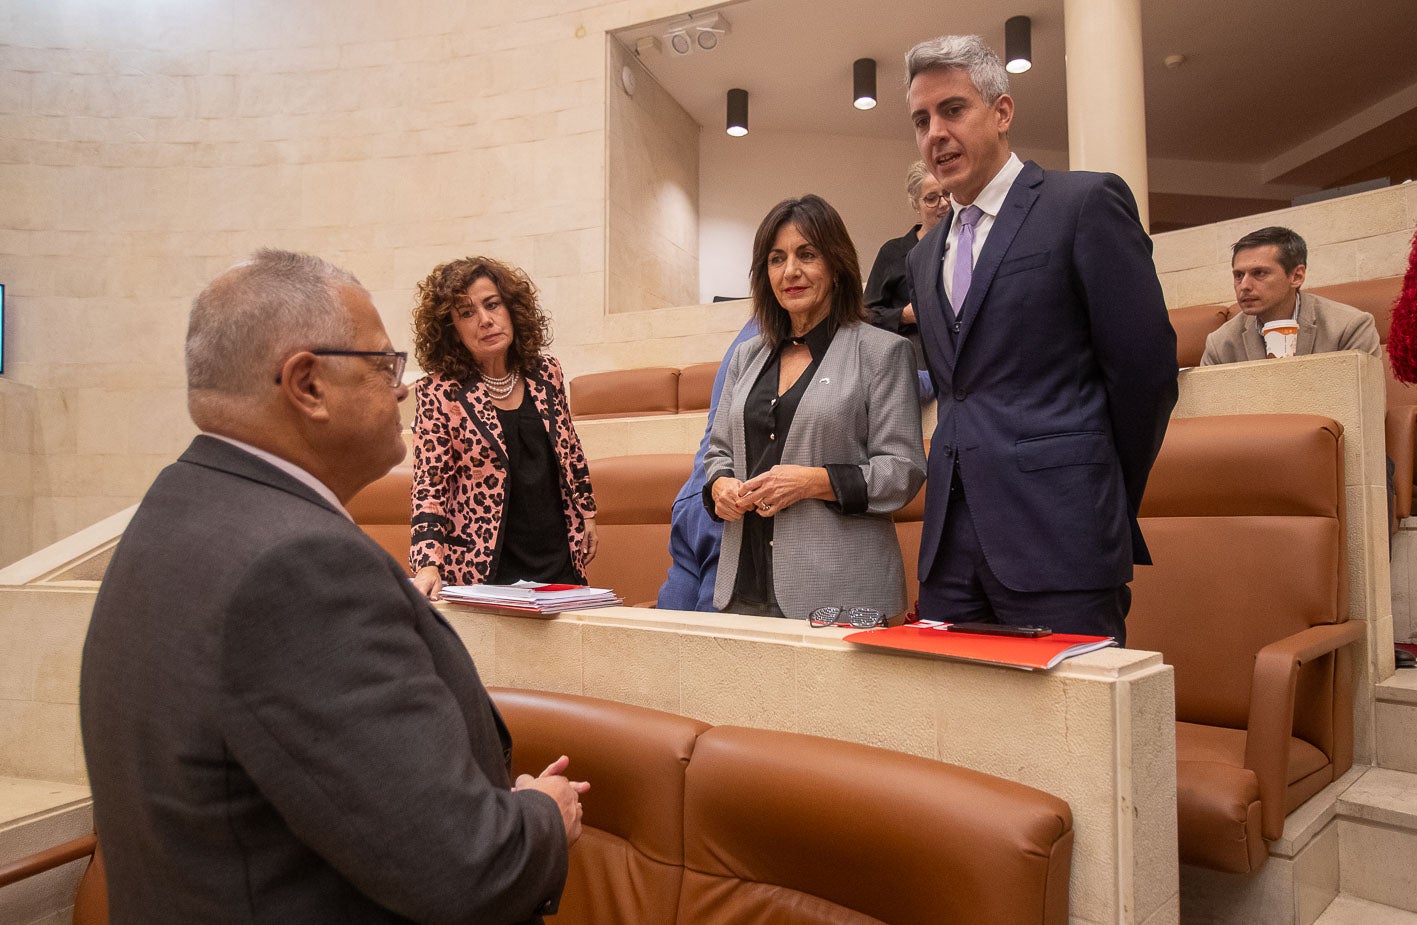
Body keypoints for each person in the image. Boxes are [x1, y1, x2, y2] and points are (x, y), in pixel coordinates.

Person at [79, 249, 585, 923]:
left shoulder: (175, 509)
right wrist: (540, 816)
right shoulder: (300, 568)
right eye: (384, 365)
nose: (402, 387)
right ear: (307, 385)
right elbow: (463, 863)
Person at [904, 35, 1179, 644]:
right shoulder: (923, 259)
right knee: (956, 735)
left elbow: (1146, 374)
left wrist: (1094, 489)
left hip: (1063, 537)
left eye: (953, 110)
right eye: (921, 120)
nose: (935, 134)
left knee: (1079, 737)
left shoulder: (1082, 203)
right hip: (949, 555)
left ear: (1002, 113)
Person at [704, 194, 927, 620]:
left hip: (842, 591)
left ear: (837, 265)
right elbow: (719, 453)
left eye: (807, 254)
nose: (791, 271)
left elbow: (903, 473)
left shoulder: (884, 352)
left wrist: (814, 481)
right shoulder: (744, 357)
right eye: (776, 258)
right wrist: (719, 488)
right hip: (742, 586)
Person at [410, 257, 597, 601]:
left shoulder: (546, 373)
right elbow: (430, 485)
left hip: (557, 557)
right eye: (466, 313)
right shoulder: (439, 393)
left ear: (511, 309)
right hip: (483, 567)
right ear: (452, 329)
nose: (485, 320)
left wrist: (587, 512)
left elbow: (569, 447)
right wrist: (427, 562)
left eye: (492, 304)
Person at [656, 315, 760, 611]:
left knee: (668, 642)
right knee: (709, 649)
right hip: (729, 502)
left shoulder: (750, 328)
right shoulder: (786, 331)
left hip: (695, 493)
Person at [1201, 226, 1381, 364]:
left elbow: (1363, 403)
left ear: (1296, 276)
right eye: (1239, 275)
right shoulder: (1220, 343)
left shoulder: (1350, 327)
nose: (1244, 286)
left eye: (1259, 273)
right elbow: (1211, 411)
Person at [865, 160, 949, 398]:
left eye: (947, 194)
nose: (943, 203)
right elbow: (863, 315)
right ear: (915, 204)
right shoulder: (893, 252)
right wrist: (905, 315)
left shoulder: (967, 246)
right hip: (914, 358)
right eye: (932, 198)